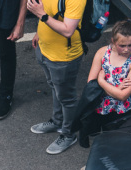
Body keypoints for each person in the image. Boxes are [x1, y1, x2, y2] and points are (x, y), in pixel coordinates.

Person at [27, 0, 85, 155]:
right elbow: (51, 12)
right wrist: (39, 33)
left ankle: (68, 134)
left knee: (67, 98)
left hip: (63, 58)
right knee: (54, 86)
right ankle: (57, 121)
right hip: (44, 50)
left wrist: (41, 15)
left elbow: (68, 31)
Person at [80, 19, 131, 146]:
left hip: (123, 110)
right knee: (102, 139)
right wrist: (116, 88)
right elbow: (90, 85)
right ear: (113, 41)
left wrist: (101, 81)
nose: (126, 49)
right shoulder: (102, 53)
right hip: (102, 107)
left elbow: (122, 96)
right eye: (122, 45)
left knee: (120, 141)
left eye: (130, 45)